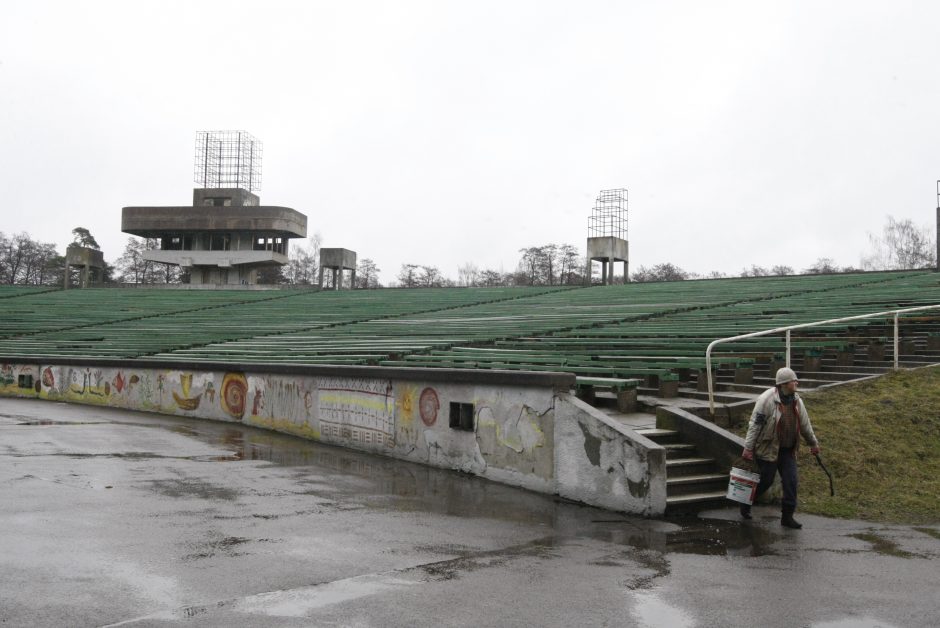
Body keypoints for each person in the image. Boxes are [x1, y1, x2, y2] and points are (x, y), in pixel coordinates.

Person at [740, 367, 820, 529]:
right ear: (783, 383)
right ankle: (746, 502)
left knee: (791, 482)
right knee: (765, 481)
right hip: (769, 448)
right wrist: (748, 448)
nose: (796, 382)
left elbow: (805, 425)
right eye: (793, 380)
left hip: (788, 449)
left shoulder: (797, 401)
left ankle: (787, 516)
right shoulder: (766, 400)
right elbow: (755, 425)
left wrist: (813, 443)